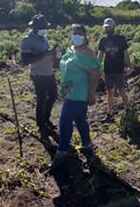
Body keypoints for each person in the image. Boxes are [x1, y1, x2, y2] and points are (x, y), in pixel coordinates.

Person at [52, 24, 100, 168]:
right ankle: (87, 144)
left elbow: (96, 75)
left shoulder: (88, 53)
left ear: (85, 36)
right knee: (80, 119)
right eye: (74, 33)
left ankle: (62, 151)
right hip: (69, 91)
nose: (76, 35)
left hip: (79, 93)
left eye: (80, 33)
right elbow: (61, 64)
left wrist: (91, 94)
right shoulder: (71, 49)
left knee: (65, 121)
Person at [20, 14, 58, 136]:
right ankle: (41, 125)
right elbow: (26, 60)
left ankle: (46, 118)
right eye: (42, 27)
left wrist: (55, 55)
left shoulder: (44, 38)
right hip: (38, 74)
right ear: (35, 27)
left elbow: (47, 54)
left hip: (48, 72)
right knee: (41, 99)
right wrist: (46, 54)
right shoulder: (27, 40)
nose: (44, 29)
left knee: (53, 96)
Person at [98, 18, 131, 123]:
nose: (107, 29)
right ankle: (109, 114)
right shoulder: (103, 40)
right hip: (108, 70)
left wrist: (129, 65)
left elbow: (126, 53)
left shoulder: (121, 39)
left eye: (109, 27)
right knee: (109, 92)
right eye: (106, 27)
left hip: (119, 69)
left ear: (113, 27)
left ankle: (128, 110)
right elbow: (100, 55)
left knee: (121, 90)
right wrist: (97, 67)